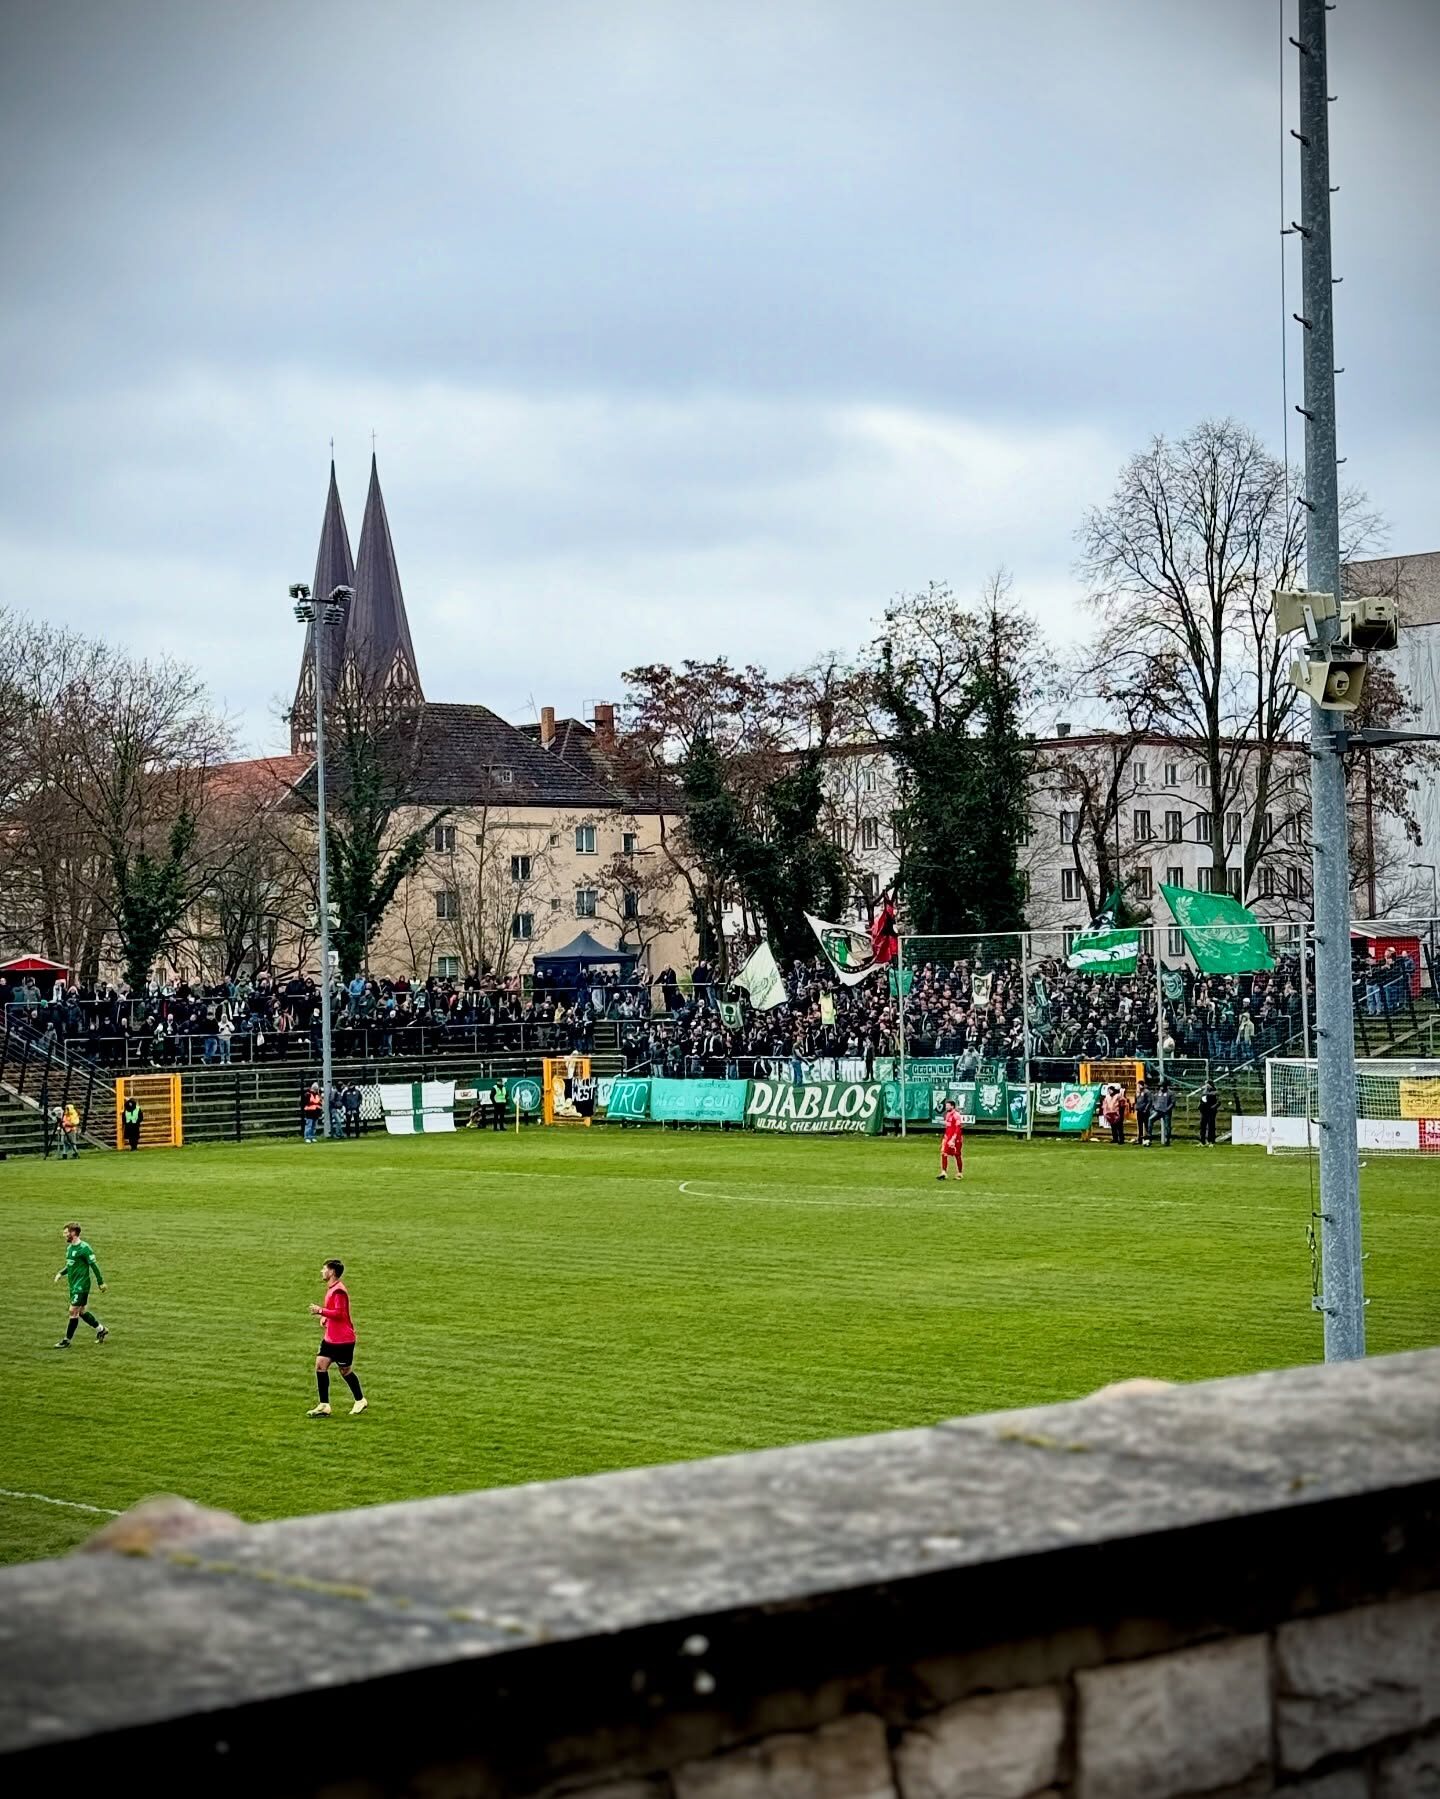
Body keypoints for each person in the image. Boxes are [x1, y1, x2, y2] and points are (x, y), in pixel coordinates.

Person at [307, 1258, 366, 1417]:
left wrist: (320, 1311)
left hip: (343, 1340)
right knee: (320, 1365)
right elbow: (334, 1311)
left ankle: (360, 1400)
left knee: (345, 1371)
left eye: (324, 1269)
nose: (322, 1271)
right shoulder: (332, 1288)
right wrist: (326, 1318)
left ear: (332, 1272)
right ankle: (324, 1405)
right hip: (330, 1338)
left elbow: (340, 1313)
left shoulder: (339, 1291)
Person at [53, 1223, 108, 1348]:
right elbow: (70, 1265)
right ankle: (101, 1330)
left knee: (73, 1311)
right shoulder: (70, 1248)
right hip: (73, 1285)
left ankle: (66, 1341)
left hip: (82, 1285)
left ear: (73, 1233)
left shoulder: (84, 1248)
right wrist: (61, 1273)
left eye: (66, 1233)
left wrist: (100, 1282)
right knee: (82, 1311)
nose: (64, 1235)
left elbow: (94, 1265)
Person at [937, 1100, 963, 1181]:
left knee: (957, 1155)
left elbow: (958, 1128)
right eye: (946, 1106)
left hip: (956, 1139)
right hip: (947, 1138)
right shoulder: (947, 1114)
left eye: (948, 1106)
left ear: (952, 1106)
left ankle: (959, 1173)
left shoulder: (956, 1115)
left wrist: (953, 1138)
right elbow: (948, 1126)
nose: (946, 1107)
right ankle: (944, 1172)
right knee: (943, 1153)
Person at [1152, 1079, 1176, 1146]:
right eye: (1160, 1086)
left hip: (1166, 1112)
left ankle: (1167, 1139)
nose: (1161, 1088)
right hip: (1158, 1111)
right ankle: (1149, 1136)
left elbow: (1173, 1103)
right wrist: (1155, 1106)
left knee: (1167, 1126)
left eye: (1162, 1086)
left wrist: (1167, 1109)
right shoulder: (1158, 1093)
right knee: (1150, 1119)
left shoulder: (1171, 1093)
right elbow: (1155, 1100)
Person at [1198, 1080, 1220, 1147]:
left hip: (1211, 1111)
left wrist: (1213, 1107)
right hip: (1204, 1111)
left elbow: (1219, 1102)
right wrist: (1200, 1106)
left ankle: (1211, 1141)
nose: (1206, 1086)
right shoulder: (1204, 1092)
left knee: (1211, 1126)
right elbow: (1202, 1099)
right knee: (1203, 1126)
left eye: (1207, 1084)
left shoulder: (1215, 1092)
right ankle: (1202, 1141)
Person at [1133, 1079, 1154, 1148]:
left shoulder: (1147, 1092)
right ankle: (1140, 1139)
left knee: (1146, 1125)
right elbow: (1136, 1100)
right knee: (1140, 1125)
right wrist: (1135, 1106)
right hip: (1139, 1111)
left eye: (1139, 1085)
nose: (1138, 1086)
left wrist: (1146, 1109)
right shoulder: (1137, 1092)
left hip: (1145, 1111)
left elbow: (1149, 1101)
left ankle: (1148, 1139)